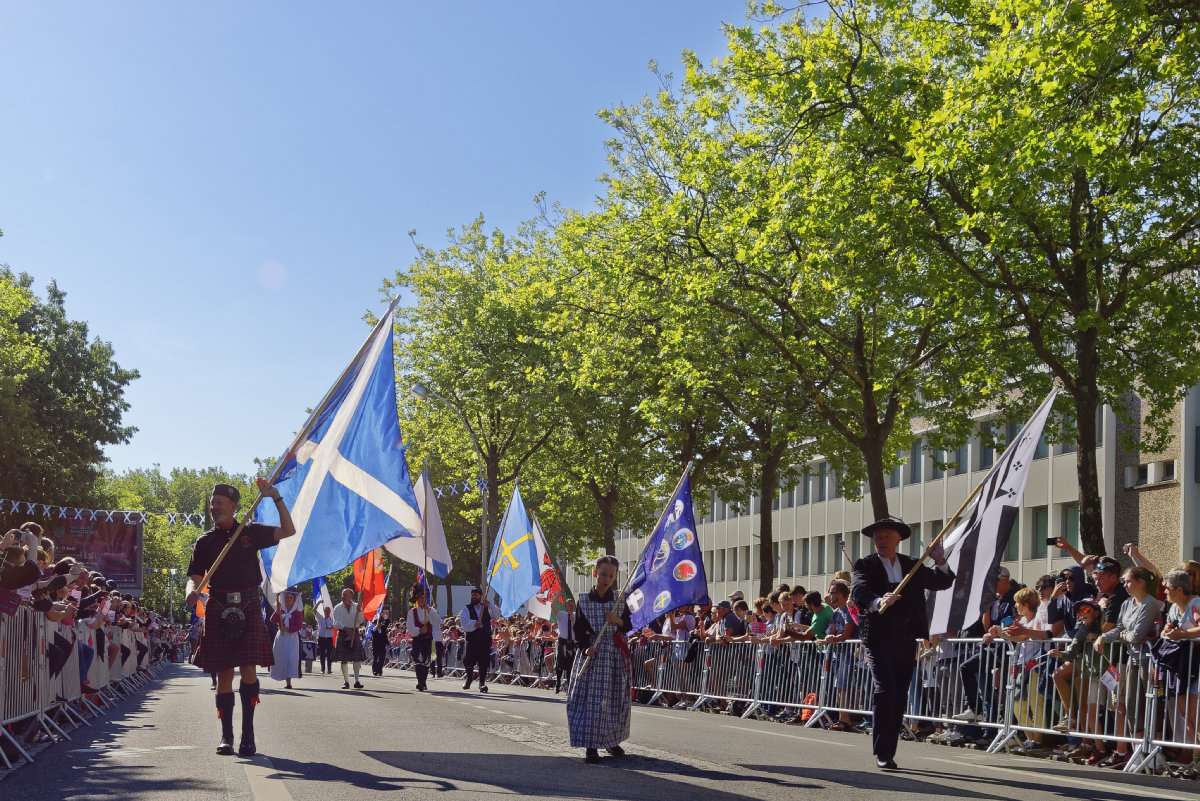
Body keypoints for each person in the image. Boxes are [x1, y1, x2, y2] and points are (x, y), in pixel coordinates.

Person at [185, 481, 296, 756]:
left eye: (219, 502)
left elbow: (288, 530)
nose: (214, 507)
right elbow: (195, 578)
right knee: (223, 673)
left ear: (233, 507)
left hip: (247, 603)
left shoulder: (250, 533)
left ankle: (248, 735)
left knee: (248, 670)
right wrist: (191, 593)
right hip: (218, 605)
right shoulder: (204, 542)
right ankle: (227, 737)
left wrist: (276, 498)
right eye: (212, 503)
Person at [850, 516, 953, 770]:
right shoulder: (866, 565)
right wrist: (877, 601)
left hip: (906, 639)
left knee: (899, 695)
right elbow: (858, 592)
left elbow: (943, 581)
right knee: (885, 690)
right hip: (878, 639)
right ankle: (881, 751)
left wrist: (940, 559)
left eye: (885, 536)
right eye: (877, 538)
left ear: (898, 539)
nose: (880, 541)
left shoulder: (911, 564)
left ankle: (889, 750)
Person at [566, 555, 633, 764]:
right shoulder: (584, 600)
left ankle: (612, 740)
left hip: (614, 655)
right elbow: (578, 630)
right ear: (595, 573)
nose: (607, 578)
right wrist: (585, 648)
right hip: (594, 655)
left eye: (611, 576)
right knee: (592, 702)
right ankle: (591, 746)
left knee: (614, 700)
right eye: (603, 574)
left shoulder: (619, 599)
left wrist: (617, 620)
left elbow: (629, 626)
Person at [459, 587, 492, 693]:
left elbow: (497, 615)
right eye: (472, 595)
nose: (473, 597)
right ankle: (469, 679)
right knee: (469, 660)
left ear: (481, 596)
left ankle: (482, 683)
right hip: (472, 638)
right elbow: (464, 622)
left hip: (484, 638)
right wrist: (474, 624)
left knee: (483, 662)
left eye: (476, 595)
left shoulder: (486, 607)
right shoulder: (466, 608)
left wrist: (490, 605)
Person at [269, 589, 303, 689]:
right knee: (281, 658)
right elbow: (272, 620)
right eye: (287, 597)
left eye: (291, 598)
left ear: (294, 600)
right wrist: (277, 610)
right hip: (281, 638)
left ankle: (289, 682)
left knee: (290, 659)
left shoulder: (297, 613)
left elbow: (298, 626)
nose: (288, 599)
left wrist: (287, 629)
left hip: (292, 638)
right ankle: (279, 675)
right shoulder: (281, 610)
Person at [333, 588, 365, 689]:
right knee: (344, 659)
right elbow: (336, 622)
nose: (343, 596)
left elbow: (360, 620)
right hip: (343, 632)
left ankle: (357, 681)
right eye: (343, 594)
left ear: (351, 596)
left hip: (354, 632)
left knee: (356, 658)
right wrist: (345, 628)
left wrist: (359, 612)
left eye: (345, 595)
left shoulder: (357, 606)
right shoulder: (337, 607)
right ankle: (346, 681)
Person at [408, 582, 435, 691]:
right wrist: (419, 630)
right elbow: (410, 627)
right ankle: (420, 682)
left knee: (426, 661)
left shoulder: (431, 610)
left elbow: (436, 621)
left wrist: (429, 610)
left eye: (424, 598)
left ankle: (423, 682)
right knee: (418, 661)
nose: (422, 600)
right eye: (420, 598)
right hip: (418, 639)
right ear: (417, 600)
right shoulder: (412, 612)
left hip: (429, 639)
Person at [555, 598, 577, 694]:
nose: (571, 607)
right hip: (563, 641)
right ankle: (558, 681)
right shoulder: (561, 614)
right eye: (569, 605)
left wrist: (575, 621)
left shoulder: (576, 616)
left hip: (572, 642)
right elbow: (552, 605)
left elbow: (580, 627)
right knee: (560, 663)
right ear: (565, 606)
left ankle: (569, 685)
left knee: (570, 665)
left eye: (572, 605)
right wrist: (559, 595)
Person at [315, 603, 334, 674]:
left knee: (329, 655)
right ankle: (322, 669)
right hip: (322, 638)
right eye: (326, 610)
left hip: (329, 638)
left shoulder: (332, 619)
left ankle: (329, 669)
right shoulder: (320, 617)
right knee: (322, 654)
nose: (327, 612)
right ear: (324, 611)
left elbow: (335, 625)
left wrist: (330, 627)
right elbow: (314, 610)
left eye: (328, 611)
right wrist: (319, 603)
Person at [371, 611, 391, 677]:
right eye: (378, 623)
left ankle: (379, 671)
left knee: (382, 659)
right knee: (375, 659)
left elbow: (387, 622)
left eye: (380, 623)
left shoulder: (383, 628)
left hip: (382, 646)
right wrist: (376, 627)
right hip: (376, 647)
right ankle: (375, 670)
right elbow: (373, 631)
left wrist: (384, 615)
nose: (379, 624)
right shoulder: (374, 629)